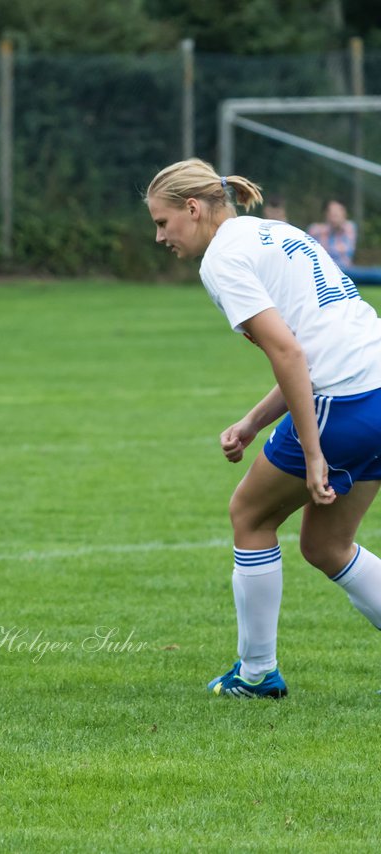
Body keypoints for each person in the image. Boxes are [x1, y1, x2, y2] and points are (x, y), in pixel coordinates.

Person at [145, 158, 381, 699]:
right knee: (328, 545)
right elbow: (312, 346)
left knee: (249, 514)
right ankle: (255, 673)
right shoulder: (275, 232)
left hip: (346, 399)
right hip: (373, 384)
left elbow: (290, 352)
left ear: (193, 208)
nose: (160, 236)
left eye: (163, 222)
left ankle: (255, 674)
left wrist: (314, 451)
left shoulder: (222, 260)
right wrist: (253, 422)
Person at [307, 199, 357, 269]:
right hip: (322, 271)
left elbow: (347, 252)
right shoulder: (315, 230)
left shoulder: (349, 227)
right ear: (326, 214)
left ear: (344, 213)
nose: (334, 215)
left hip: (345, 271)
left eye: (338, 211)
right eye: (331, 212)